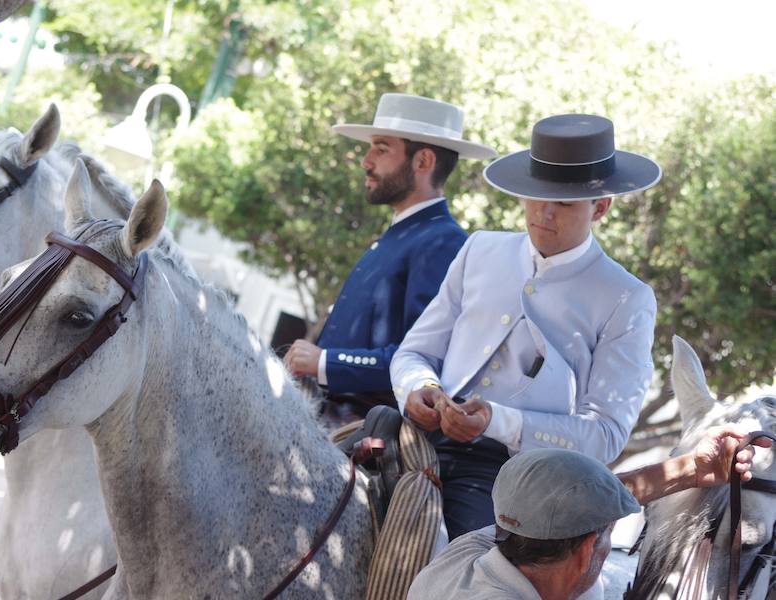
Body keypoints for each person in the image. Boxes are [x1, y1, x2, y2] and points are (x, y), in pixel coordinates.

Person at [391, 114, 663, 538]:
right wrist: (417, 388)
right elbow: (413, 353)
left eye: (565, 203)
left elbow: (606, 435)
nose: (544, 212)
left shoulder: (626, 298)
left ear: (601, 207)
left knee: (461, 572)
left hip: (513, 477)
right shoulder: (480, 249)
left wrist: (498, 421)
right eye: (536, 196)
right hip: (413, 439)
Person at [283, 93, 496, 423]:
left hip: (361, 431)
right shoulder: (404, 234)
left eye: (381, 149)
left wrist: (325, 362)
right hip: (322, 416)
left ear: (423, 161)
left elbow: (420, 360)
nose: (366, 161)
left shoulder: (442, 242)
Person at [406, 425, 771, 600]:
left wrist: (693, 469)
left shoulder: (465, 553)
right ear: (585, 553)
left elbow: (565, 502)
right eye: (608, 532)